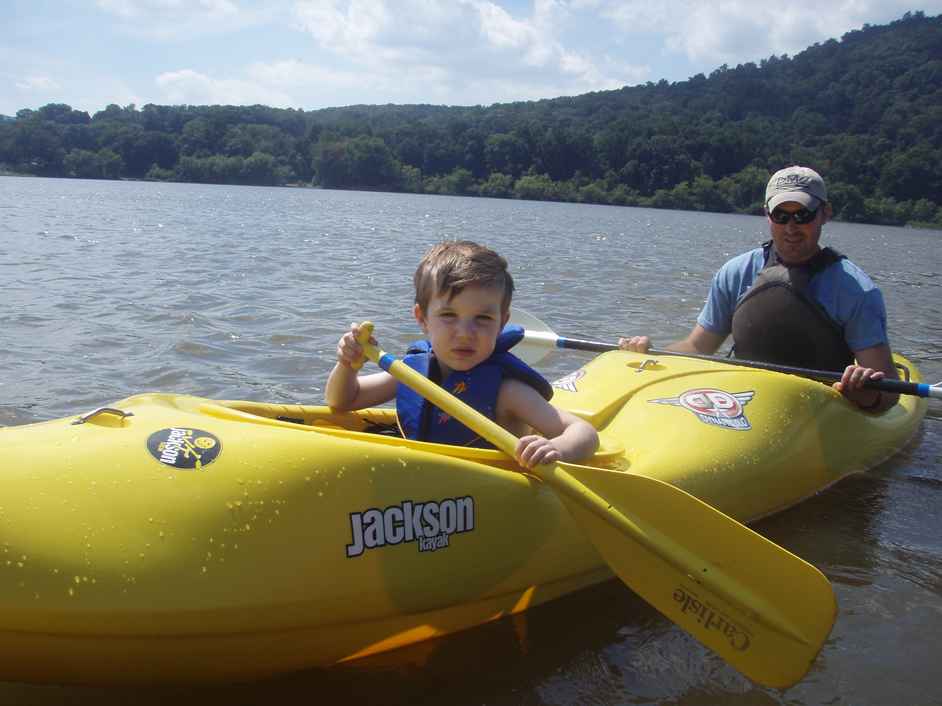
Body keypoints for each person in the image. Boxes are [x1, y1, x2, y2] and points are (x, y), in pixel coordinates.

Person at [620, 166, 899, 413]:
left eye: (803, 215)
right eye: (781, 215)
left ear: (825, 214)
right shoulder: (735, 272)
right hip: (747, 403)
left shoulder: (855, 289)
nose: (791, 227)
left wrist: (866, 394)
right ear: (767, 214)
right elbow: (697, 347)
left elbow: (888, 393)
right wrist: (652, 356)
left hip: (822, 409)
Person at [326, 240, 599, 467]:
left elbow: (583, 432)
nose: (465, 332)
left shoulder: (508, 392)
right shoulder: (410, 373)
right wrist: (347, 366)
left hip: (489, 497)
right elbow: (343, 400)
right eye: (448, 315)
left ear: (502, 322)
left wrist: (557, 449)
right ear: (422, 318)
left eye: (482, 318)